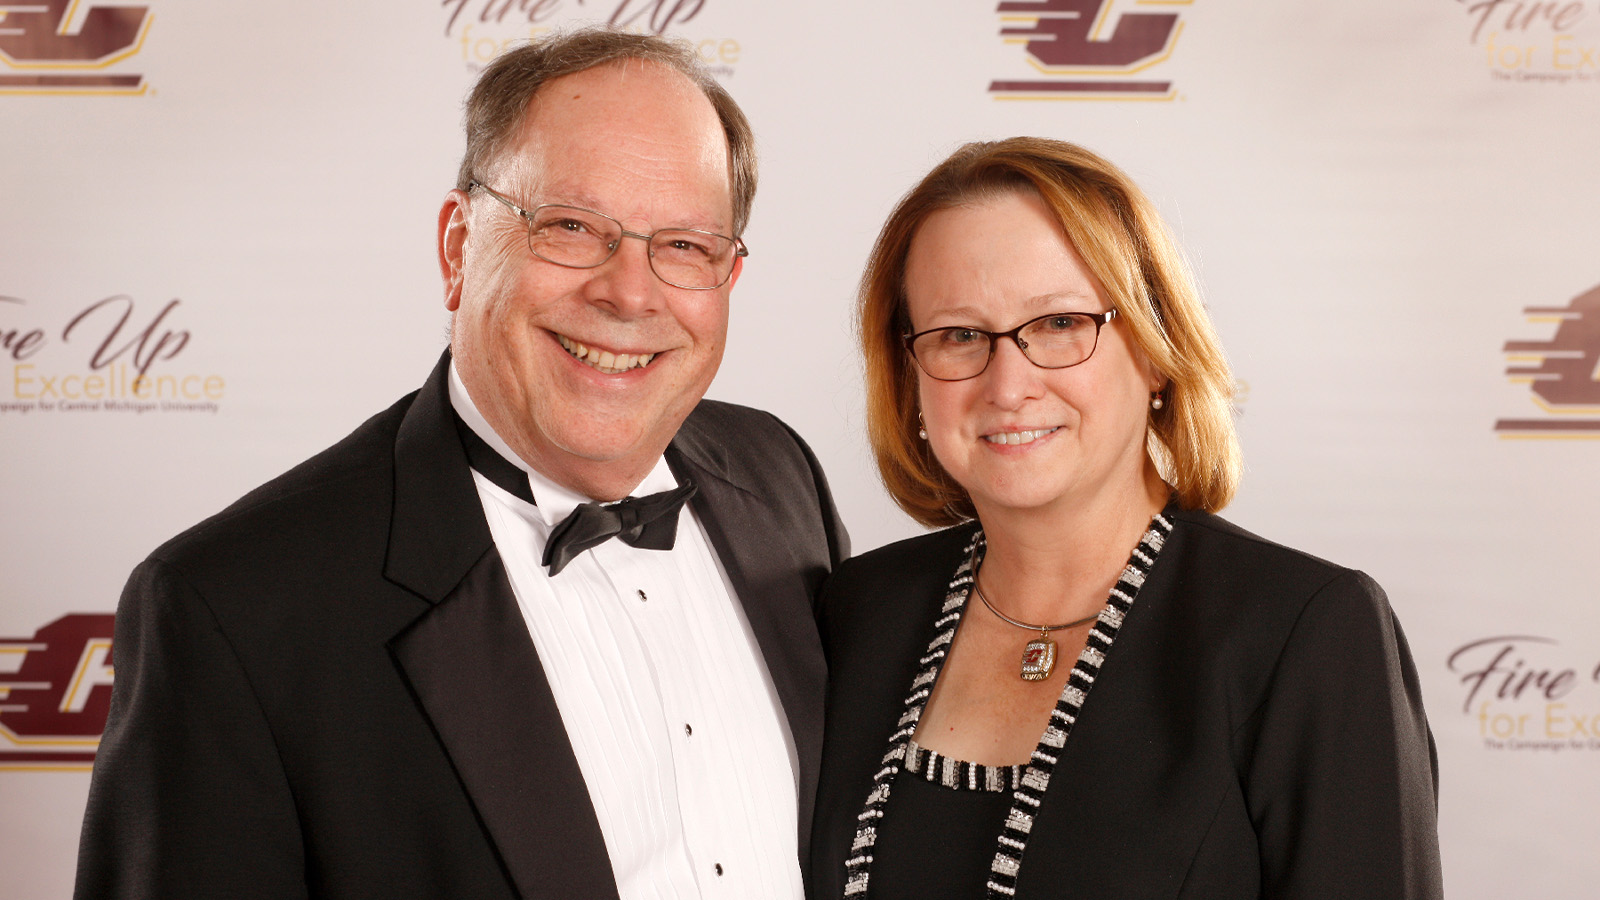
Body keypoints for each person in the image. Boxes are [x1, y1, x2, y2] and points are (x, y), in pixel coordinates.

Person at [75, 29, 847, 900]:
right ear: (458, 245)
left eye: (684, 246)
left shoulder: (780, 478)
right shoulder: (234, 609)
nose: (630, 293)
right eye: (570, 227)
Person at [809, 138, 1441, 899]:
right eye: (960, 335)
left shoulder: (1304, 633)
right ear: (909, 374)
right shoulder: (854, 612)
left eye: (1060, 325)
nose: (1008, 385)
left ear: (1154, 348)